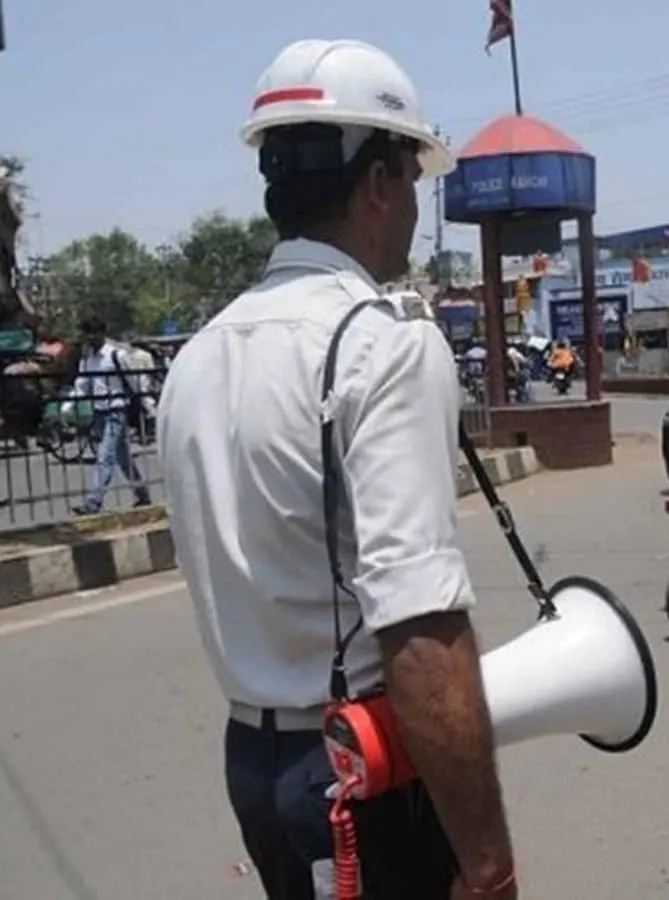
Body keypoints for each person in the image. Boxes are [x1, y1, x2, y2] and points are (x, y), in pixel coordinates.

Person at [156, 39, 516, 900]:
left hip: (256, 763)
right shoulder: (384, 348)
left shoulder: (197, 358)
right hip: (364, 765)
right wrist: (491, 865)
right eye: (415, 179)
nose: (415, 204)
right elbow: (421, 638)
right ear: (381, 180)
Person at [61, 316, 154, 516]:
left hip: (116, 410)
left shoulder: (116, 356)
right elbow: (82, 385)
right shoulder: (88, 360)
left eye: (95, 333)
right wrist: (69, 404)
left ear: (103, 333)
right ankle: (142, 494)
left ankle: (93, 502)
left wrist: (147, 405)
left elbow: (134, 382)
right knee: (123, 457)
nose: (91, 337)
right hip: (99, 412)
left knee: (105, 456)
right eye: (88, 334)